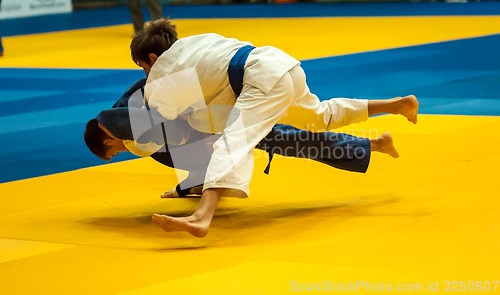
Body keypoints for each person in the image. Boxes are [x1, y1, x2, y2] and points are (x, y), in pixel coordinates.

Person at [129, 18, 419, 237]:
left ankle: (201, 217)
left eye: (144, 67)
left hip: (259, 78)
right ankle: (395, 104)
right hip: (281, 64)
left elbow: (155, 117)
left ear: (153, 58)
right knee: (319, 116)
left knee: (234, 142)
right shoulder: (197, 42)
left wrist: (128, 136)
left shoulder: (163, 70)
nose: (146, 74)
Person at [84, 78, 398, 199]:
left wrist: (205, 140)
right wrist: (186, 187)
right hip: (216, 115)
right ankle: (372, 143)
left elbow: (176, 131)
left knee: (292, 136)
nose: (120, 152)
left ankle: (374, 137)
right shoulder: (129, 127)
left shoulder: (122, 118)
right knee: (290, 141)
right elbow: (173, 152)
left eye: (112, 152)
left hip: (222, 108)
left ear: (106, 140)